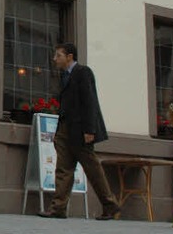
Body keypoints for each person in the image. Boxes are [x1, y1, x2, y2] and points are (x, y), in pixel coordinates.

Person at [39, 42, 120, 221]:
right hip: (65, 129)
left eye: (58, 55)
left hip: (81, 130)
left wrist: (90, 129)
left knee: (92, 169)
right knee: (63, 169)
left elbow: (89, 101)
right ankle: (58, 208)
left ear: (69, 57)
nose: (54, 59)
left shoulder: (83, 72)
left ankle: (110, 204)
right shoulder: (64, 76)